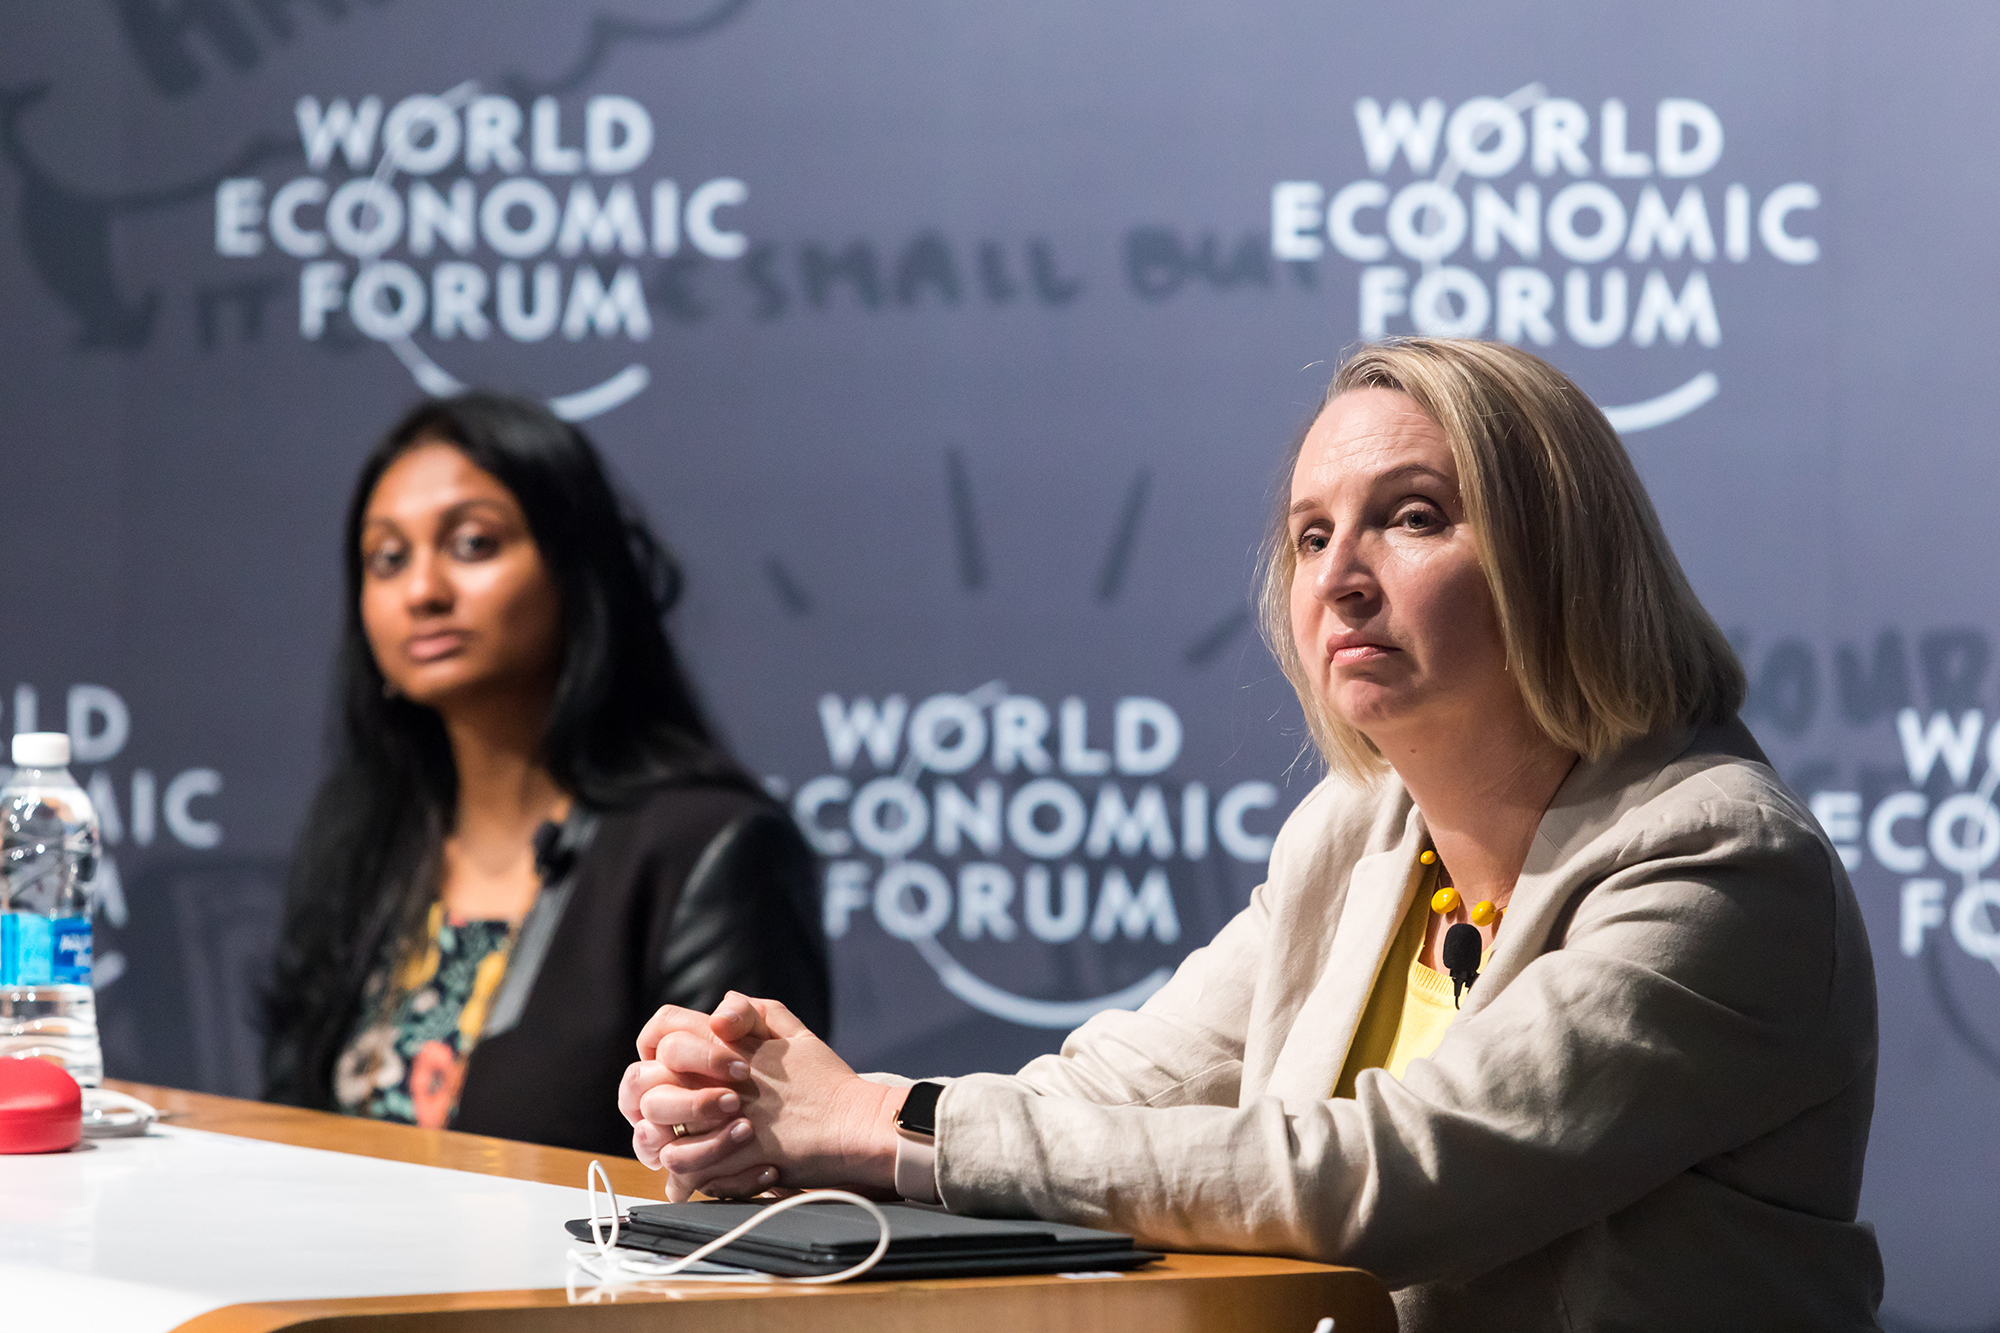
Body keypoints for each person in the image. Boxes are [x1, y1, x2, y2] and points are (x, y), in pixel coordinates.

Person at [619, 340, 1884, 1331]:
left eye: (1414, 515)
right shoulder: (1357, 833)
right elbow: (1113, 1093)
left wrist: (884, 1120)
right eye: (1311, 533)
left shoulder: (1717, 864)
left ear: (1562, 558)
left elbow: (1386, 1178)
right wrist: (784, 1135)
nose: (1338, 576)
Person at [263, 392, 827, 1156]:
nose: (423, 591)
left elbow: (739, 1174)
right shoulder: (362, 839)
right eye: (388, 558)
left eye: (471, 544)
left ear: (575, 571)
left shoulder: (711, 850)